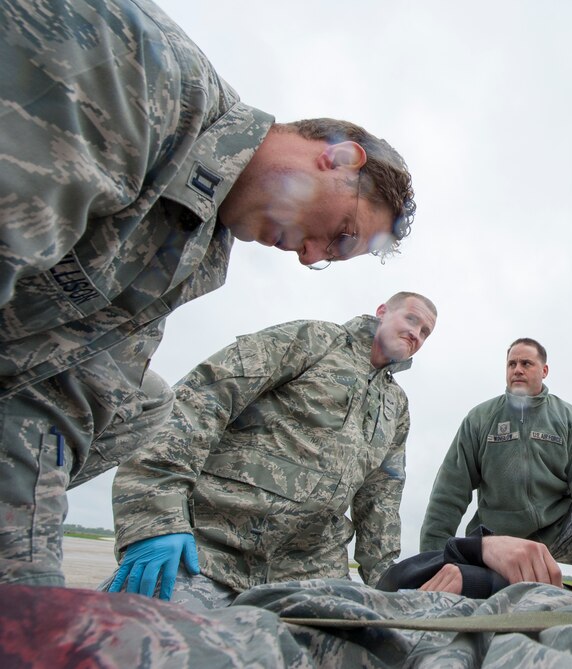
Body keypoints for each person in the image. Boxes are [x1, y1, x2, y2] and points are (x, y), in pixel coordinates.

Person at [0, 0, 416, 588]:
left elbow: (68, 392)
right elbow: (208, 398)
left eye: (331, 258)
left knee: (137, 402)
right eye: (341, 233)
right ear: (339, 158)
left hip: (295, 570)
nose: (309, 255)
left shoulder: (194, 248)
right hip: (218, 547)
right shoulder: (147, 78)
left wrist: (24, 580)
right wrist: (157, 516)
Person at [105, 292, 436, 607]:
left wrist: (386, 581)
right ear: (382, 312)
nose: (416, 334)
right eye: (411, 319)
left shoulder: (396, 406)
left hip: (308, 576)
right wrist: (156, 517)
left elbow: (381, 499)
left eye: (425, 333)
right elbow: (203, 398)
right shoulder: (314, 340)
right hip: (208, 552)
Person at [420, 338, 572, 622]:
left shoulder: (568, 419)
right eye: (512, 364)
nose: (517, 370)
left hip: (557, 529)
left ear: (544, 370)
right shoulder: (480, 419)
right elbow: (449, 492)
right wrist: (431, 561)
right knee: (471, 593)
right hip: (499, 537)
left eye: (526, 363)